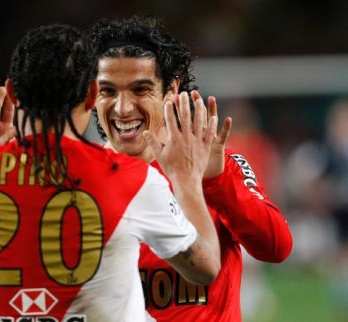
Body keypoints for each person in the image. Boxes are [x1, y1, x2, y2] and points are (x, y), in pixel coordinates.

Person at [0, 24, 221, 321]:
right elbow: (205, 268)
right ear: (92, 95)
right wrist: (185, 178)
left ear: (12, 93)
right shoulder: (130, 178)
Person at [90, 16, 293, 321]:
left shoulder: (214, 164)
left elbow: (276, 248)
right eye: (108, 91)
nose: (123, 108)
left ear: (170, 89)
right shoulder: (77, 177)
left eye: (140, 89)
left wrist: (217, 180)